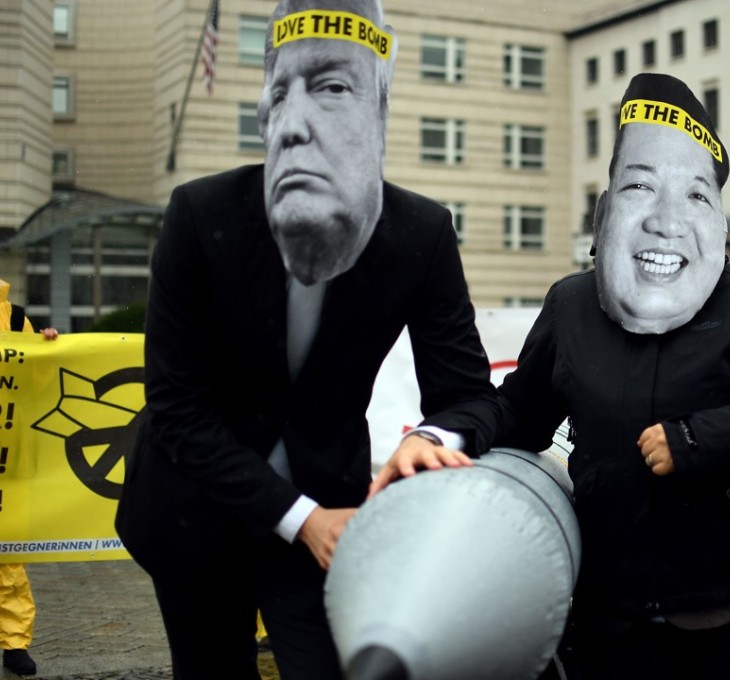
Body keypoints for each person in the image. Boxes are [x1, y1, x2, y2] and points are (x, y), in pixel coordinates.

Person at [374, 73, 730, 679]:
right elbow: (520, 410)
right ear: (607, 209)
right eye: (640, 186)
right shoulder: (571, 305)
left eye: (696, 195)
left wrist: (696, 441)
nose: (665, 221)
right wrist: (439, 437)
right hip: (614, 621)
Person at [114, 1, 497, 678]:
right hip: (193, 514)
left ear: (378, 107)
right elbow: (177, 408)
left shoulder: (421, 234)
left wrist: (429, 440)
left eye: (330, 86)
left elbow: (467, 394)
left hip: (331, 514)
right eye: (279, 92)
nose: (292, 126)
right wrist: (298, 517)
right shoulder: (200, 217)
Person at [1, 278, 58, 678]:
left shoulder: (15, 317)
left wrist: (48, 347)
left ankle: (14, 643)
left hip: (9, 457)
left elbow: (34, 382)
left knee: (7, 557)